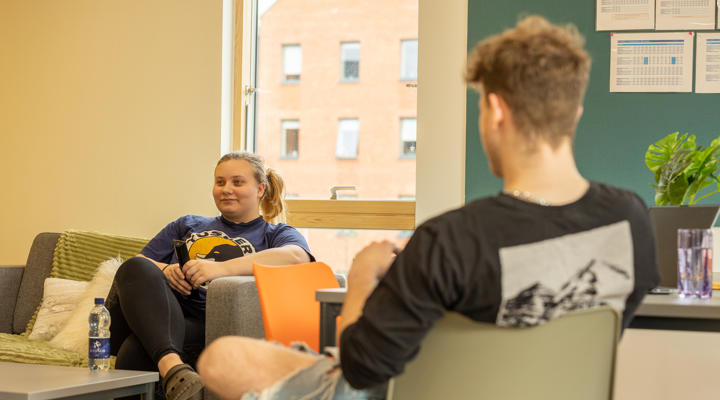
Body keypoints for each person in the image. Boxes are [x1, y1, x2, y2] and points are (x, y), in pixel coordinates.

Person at [195, 15, 660, 400]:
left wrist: (359, 281)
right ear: (574, 112)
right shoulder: (631, 218)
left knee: (221, 358)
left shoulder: (450, 239)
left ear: (496, 111)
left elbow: (362, 369)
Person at [108, 151, 313, 400]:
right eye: (220, 182)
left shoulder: (274, 233)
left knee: (134, 350)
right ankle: (174, 368)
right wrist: (168, 270)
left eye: (237, 182)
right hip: (165, 313)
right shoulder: (188, 224)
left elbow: (296, 256)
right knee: (133, 267)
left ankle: (171, 366)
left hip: (210, 325)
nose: (226, 189)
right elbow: (139, 264)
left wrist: (219, 269)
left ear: (260, 189)